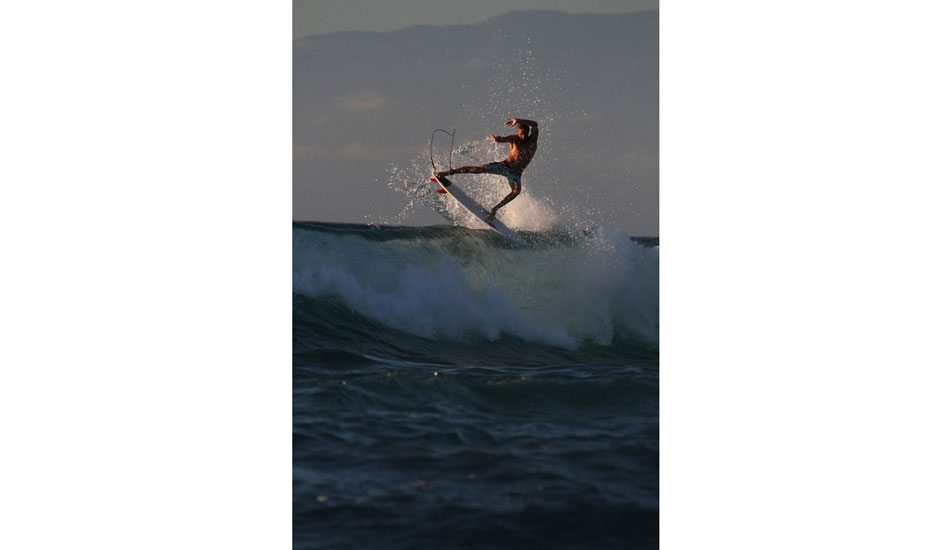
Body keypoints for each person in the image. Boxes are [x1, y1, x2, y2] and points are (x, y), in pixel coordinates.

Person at [436, 118, 539, 221]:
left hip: (516, 174)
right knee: (477, 169)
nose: (523, 136)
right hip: (504, 166)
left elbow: (535, 124)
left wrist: (518, 120)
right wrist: (497, 139)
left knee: (516, 191)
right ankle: (448, 172)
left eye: (525, 134)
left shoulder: (533, 140)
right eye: (521, 134)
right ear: (517, 132)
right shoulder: (514, 139)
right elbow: (502, 139)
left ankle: (495, 209)